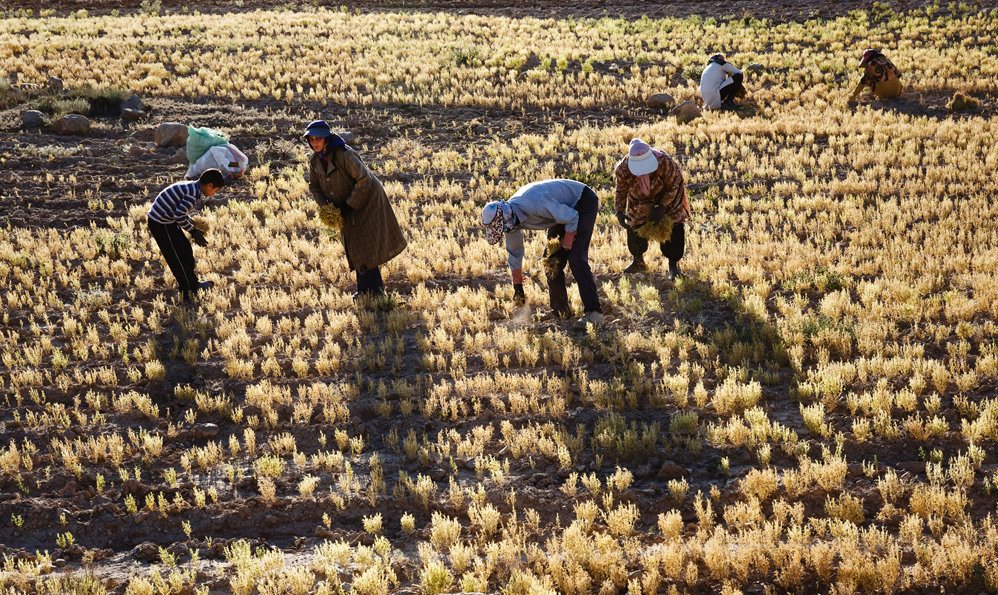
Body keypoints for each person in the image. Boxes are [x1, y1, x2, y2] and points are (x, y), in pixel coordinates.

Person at [304, 120, 406, 298]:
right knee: (354, 245)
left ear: (326, 138)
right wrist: (326, 207)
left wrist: (349, 205)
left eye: (318, 138)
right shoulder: (315, 161)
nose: (315, 143)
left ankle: (375, 291)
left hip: (367, 200)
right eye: (311, 139)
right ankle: (365, 290)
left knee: (365, 245)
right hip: (345, 205)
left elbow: (365, 179)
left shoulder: (345, 155)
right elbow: (314, 186)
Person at [481, 179, 604, 327]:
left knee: (576, 258)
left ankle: (594, 313)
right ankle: (560, 312)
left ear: (505, 218)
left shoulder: (534, 203)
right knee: (551, 263)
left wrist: (566, 244)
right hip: (561, 213)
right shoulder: (510, 223)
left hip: (582, 201)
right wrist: (518, 288)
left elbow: (572, 217)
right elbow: (515, 254)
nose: (504, 230)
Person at [614, 139, 691, 281]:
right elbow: (621, 189)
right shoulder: (623, 168)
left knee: (673, 225)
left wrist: (661, 208)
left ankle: (673, 265)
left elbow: (674, 186)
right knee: (634, 224)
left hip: (667, 197)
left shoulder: (665, 163)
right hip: (638, 199)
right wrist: (619, 210)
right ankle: (638, 261)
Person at [147, 169, 225, 302]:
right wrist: (193, 231)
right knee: (177, 258)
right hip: (161, 223)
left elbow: (179, 211)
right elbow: (179, 216)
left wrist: (192, 223)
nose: (214, 194)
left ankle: (193, 284)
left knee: (186, 251)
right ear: (209, 185)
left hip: (168, 220)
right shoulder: (193, 194)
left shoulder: (192, 187)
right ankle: (187, 291)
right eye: (216, 190)